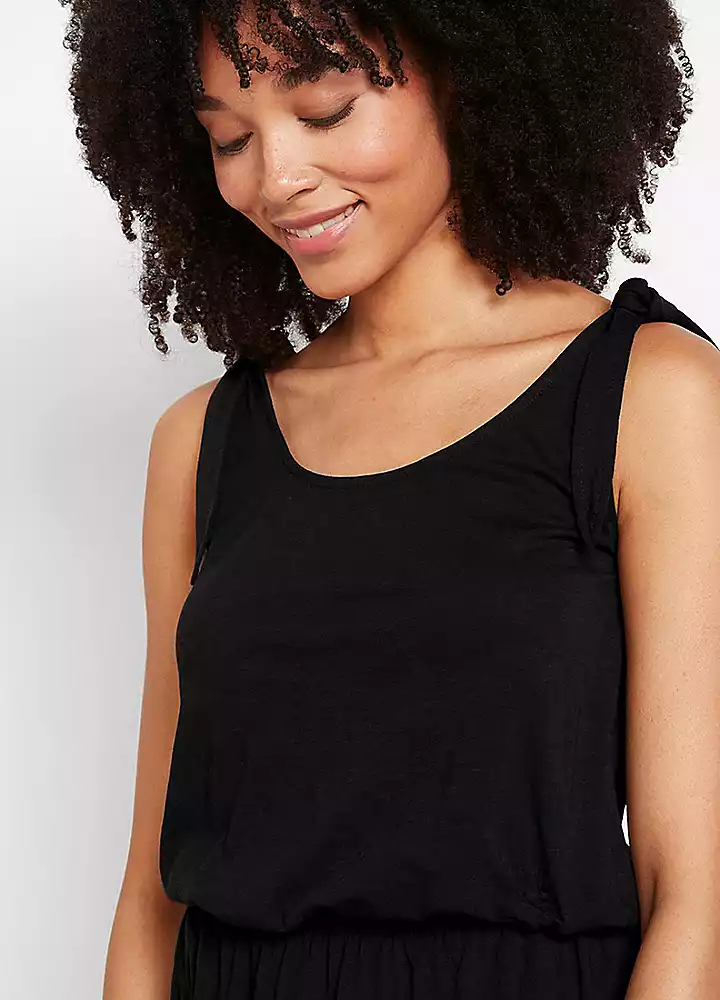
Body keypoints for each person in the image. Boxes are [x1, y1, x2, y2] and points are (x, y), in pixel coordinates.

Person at [60, 1, 720, 997]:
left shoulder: (650, 395)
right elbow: (154, 898)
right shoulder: (202, 443)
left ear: (468, 74)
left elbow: (696, 903)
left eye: (325, 109)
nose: (275, 178)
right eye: (230, 139)